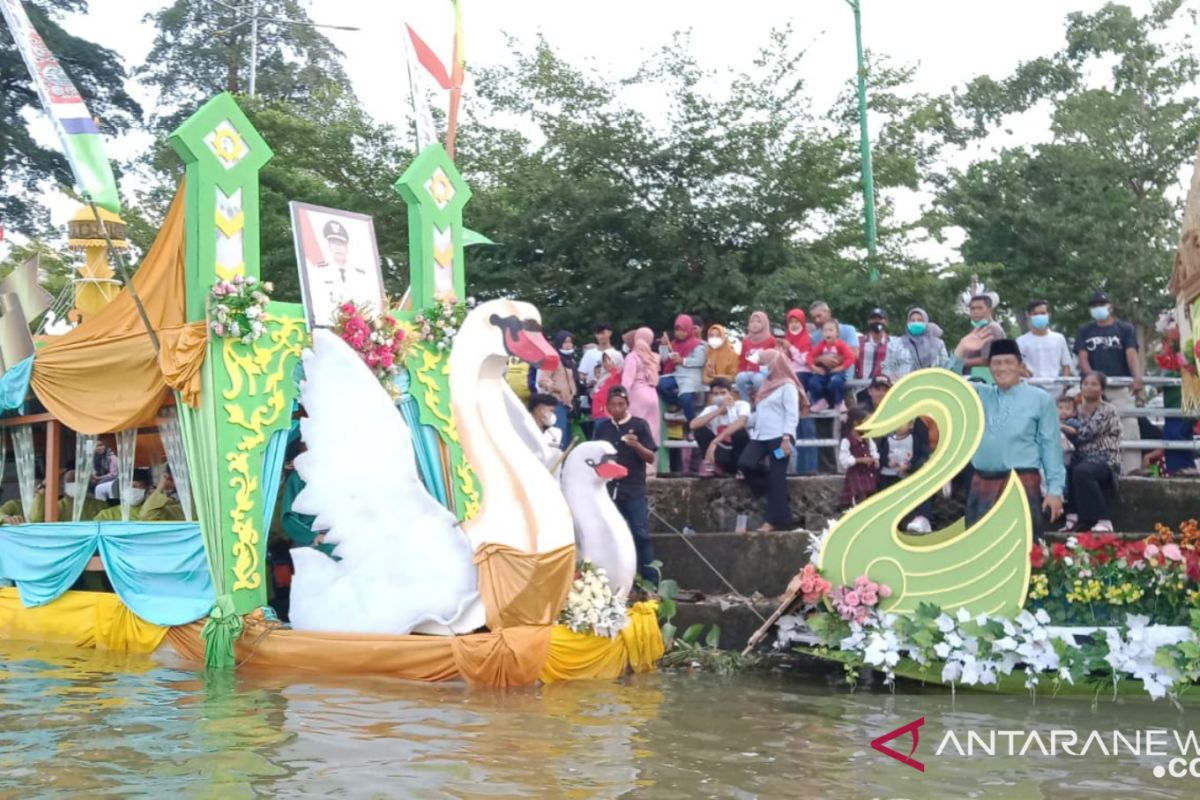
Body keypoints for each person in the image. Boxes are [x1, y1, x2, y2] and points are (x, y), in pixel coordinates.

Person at [949, 331, 1065, 540]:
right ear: (989, 367)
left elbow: (1051, 447)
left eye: (1008, 362)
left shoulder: (1040, 399)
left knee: (1026, 548)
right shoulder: (979, 394)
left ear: (1021, 366)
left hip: (1021, 481)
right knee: (978, 547)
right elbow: (945, 384)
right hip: (982, 481)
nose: (1002, 368)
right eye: (997, 363)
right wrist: (961, 350)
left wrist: (1054, 490)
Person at [592, 386, 658, 579]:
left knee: (641, 534)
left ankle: (651, 581)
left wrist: (636, 445)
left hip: (633, 488)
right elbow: (595, 455)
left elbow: (650, 457)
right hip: (608, 489)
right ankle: (615, 578)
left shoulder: (639, 425)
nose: (617, 408)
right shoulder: (602, 428)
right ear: (607, 407)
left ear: (628, 405)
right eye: (613, 405)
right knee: (610, 535)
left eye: (621, 404)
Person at [1075, 290, 1142, 475]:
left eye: (1101, 305)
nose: (1098, 309)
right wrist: (1092, 382)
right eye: (1094, 306)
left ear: (1110, 306)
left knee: (1128, 427)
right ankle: (1098, 470)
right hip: (1094, 390)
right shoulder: (1085, 331)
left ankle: (1131, 471)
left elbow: (1131, 353)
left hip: (1121, 387)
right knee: (1092, 430)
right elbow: (1083, 357)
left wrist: (1137, 377)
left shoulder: (1125, 329)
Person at [738, 350, 801, 532]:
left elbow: (792, 414)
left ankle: (772, 521)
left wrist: (787, 438)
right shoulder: (766, 385)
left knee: (778, 472)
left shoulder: (788, 386)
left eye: (765, 363)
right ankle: (769, 487)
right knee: (745, 463)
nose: (762, 367)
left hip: (780, 440)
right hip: (760, 437)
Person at [1062, 372, 1122, 533]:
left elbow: (1085, 433)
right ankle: (1072, 518)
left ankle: (1103, 519)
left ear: (1102, 389)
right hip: (1080, 457)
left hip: (1105, 459)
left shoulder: (1107, 410)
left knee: (1083, 471)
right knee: (1066, 469)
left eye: (1094, 384)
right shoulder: (1077, 411)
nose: (1089, 387)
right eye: (1086, 383)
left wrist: (1061, 425)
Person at [690, 377, 751, 476]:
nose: (719, 396)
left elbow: (741, 422)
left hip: (739, 452)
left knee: (739, 432)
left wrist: (715, 441)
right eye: (716, 394)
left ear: (730, 393)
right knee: (700, 431)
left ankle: (742, 469)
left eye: (723, 393)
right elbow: (693, 425)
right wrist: (719, 410)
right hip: (721, 452)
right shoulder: (711, 409)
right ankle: (715, 468)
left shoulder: (741, 405)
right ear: (711, 396)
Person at [657, 314, 707, 424]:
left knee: (686, 398)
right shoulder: (674, 344)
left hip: (691, 376)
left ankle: (693, 425)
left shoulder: (698, 344)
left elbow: (700, 360)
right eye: (678, 330)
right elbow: (665, 359)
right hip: (676, 374)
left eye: (683, 330)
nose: (680, 333)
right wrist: (664, 345)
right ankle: (676, 403)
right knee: (659, 384)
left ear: (689, 330)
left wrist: (682, 360)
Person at [1017, 299, 1074, 388]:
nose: (1040, 316)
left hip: (1056, 389)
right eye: (1035, 314)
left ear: (1049, 315)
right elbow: (1016, 365)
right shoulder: (1021, 341)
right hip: (1032, 388)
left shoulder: (1059, 338)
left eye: (1043, 313)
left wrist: (1065, 387)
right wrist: (1024, 372)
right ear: (1028, 315)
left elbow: (1066, 365)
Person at [883, 308, 951, 380]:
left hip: (930, 387)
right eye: (912, 321)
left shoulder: (938, 344)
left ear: (926, 323)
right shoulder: (897, 344)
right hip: (904, 388)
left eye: (919, 320)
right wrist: (895, 380)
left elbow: (946, 369)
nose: (915, 323)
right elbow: (886, 367)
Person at [621, 327, 662, 447]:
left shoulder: (632, 356)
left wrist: (621, 395)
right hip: (652, 395)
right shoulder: (653, 357)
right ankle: (651, 463)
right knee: (652, 433)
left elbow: (627, 380)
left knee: (634, 430)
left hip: (637, 395)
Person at [537, 331, 578, 449]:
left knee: (569, 441)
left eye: (570, 342)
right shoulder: (552, 359)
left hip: (570, 404)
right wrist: (557, 389)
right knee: (560, 437)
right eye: (565, 342)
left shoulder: (570, 361)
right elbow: (543, 380)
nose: (568, 345)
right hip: (557, 403)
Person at [805, 320, 857, 413]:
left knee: (835, 381)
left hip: (837, 372)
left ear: (837, 333)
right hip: (824, 372)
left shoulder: (841, 345)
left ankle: (839, 402)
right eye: (825, 331)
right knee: (813, 381)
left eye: (830, 330)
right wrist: (814, 367)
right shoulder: (821, 345)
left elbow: (850, 357)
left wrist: (841, 368)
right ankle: (819, 401)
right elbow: (810, 356)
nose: (827, 333)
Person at [838, 407, 879, 508]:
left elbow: (874, 451)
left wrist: (875, 459)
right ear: (856, 423)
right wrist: (860, 460)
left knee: (871, 497)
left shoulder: (868, 439)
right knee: (859, 498)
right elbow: (844, 461)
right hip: (856, 476)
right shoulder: (847, 441)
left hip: (868, 474)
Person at [960, 294, 1007, 378]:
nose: (975, 312)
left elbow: (988, 359)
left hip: (984, 378)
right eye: (972, 309)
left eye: (979, 308)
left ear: (989, 310)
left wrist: (961, 362)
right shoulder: (979, 328)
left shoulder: (991, 329)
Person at [735, 311, 777, 403]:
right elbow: (742, 358)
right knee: (739, 378)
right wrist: (742, 370)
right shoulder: (746, 340)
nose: (755, 324)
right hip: (749, 371)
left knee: (758, 380)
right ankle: (746, 401)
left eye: (758, 321)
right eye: (752, 321)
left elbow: (774, 360)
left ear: (765, 323)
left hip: (763, 372)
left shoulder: (771, 340)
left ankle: (759, 399)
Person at [576, 320, 614, 391]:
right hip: (592, 392)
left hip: (611, 393)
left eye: (602, 333)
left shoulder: (616, 354)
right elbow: (582, 374)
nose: (600, 336)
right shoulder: (589, 353)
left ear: (609, 333)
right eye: (597, 334)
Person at [590, 350, 624, 422]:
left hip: (607, 415)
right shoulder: (604, 376)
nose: (607, 363)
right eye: (604, 360)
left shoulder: (616, 376)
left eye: (610, 359)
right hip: (599, 415)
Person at [857, 308, 890, 380]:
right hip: (861, 386)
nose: (877, 321)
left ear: (886, 322)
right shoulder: (859, 342)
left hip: (884, 386)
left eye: (880, 319)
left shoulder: (893, 343)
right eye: (874, 319)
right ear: (868, 322)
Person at [1058, 394, 1080, 465]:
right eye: (1060, 408)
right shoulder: (1055, 421)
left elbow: (1074, 431)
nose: (1063, 411)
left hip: (1069, 452)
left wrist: (1063, 427)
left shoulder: (1071, 421)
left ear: (1074, 413)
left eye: (1067, 409)